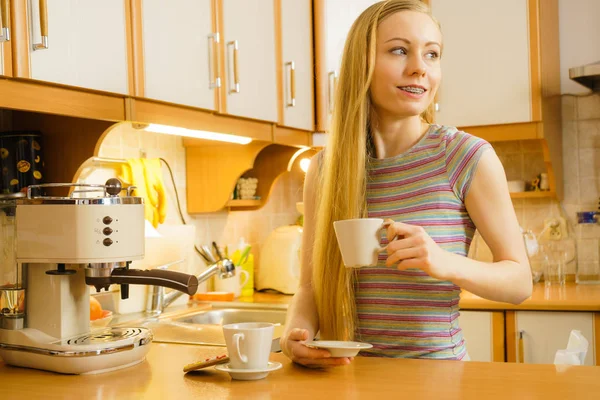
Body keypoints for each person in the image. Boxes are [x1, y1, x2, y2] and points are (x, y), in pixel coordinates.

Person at [280, 0, 532, 367]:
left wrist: (443, 262)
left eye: (432, 54)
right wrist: (295, 334)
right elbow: (310, 288)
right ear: (361, 63)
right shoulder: (324, 170)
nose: (419, 68)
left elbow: (520, 282)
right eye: (400, 50)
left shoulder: (464, 156)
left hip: (438, 380)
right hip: (348, 380)